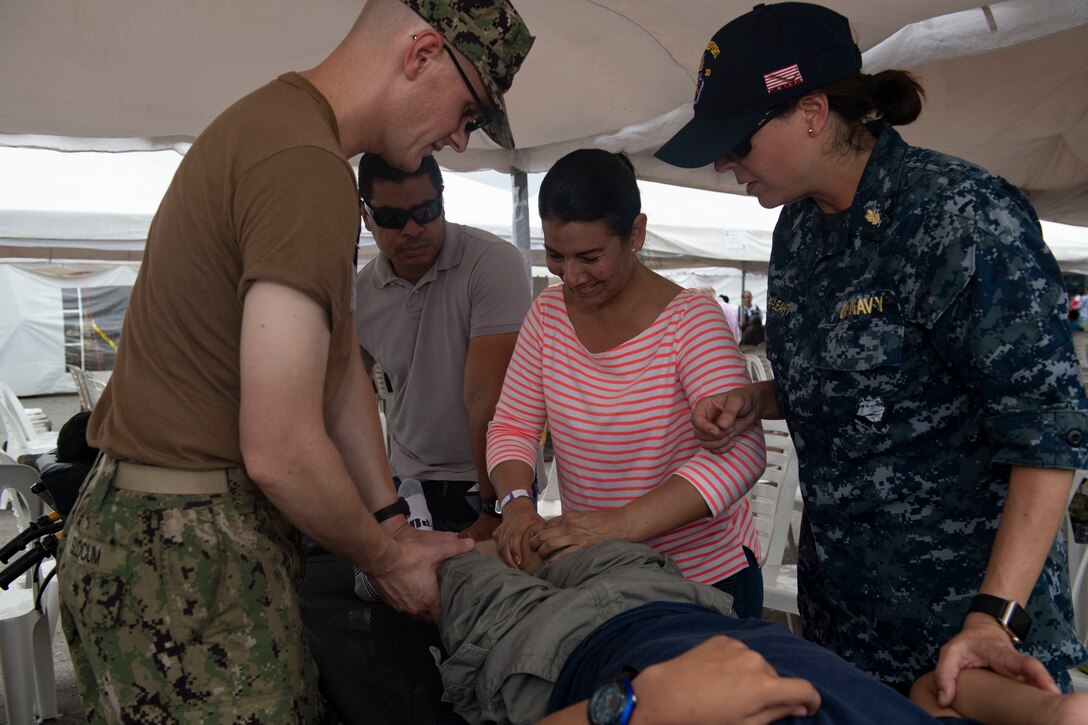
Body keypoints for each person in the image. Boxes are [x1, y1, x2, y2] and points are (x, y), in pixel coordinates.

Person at [56, 0, 534, 721]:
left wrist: (390, 521)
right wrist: (385, 558)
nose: (460, 141)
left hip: (159, 534)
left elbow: (340, 367)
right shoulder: (303, 167)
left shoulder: (283, 134)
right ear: (422, 54)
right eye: (468, 112)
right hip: (189, 547)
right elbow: (279, 447)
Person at [654, 0, 1088, 702]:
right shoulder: (797, 231)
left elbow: (1049, 433)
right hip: (846, 633)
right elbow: (855, 380)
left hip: (967, 643)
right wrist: (759, 398)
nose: (726, 163)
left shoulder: (959, 217)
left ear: (812, 111)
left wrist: (995, 616)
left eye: (738, 141)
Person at [487, 149, 767, 617]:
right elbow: (513, 426)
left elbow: (740, 454)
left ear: (634, 234)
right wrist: (516, 503)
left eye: (590, 257)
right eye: (556, 256)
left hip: (703, 579)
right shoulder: (547, 316)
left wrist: (617, 526)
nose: (572, 277)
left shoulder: (691, 321)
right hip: (599, 575)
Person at [433, 533, 1088, 725]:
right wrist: (1051, 713)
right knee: (536, 542)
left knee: (451, 564)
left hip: (553, 649)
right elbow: (931, 695)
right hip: (678, 596)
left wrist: (634, 708)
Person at [354, 153, 544, 540]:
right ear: (365, 216)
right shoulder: (358, 294)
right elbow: (346, 400)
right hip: (408, 480)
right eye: (392, 218)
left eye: (426, 211)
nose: (412, 229)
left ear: (443, 199)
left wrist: (493, 506)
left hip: (489, 479)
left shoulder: (491, 262)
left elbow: (486, 397)